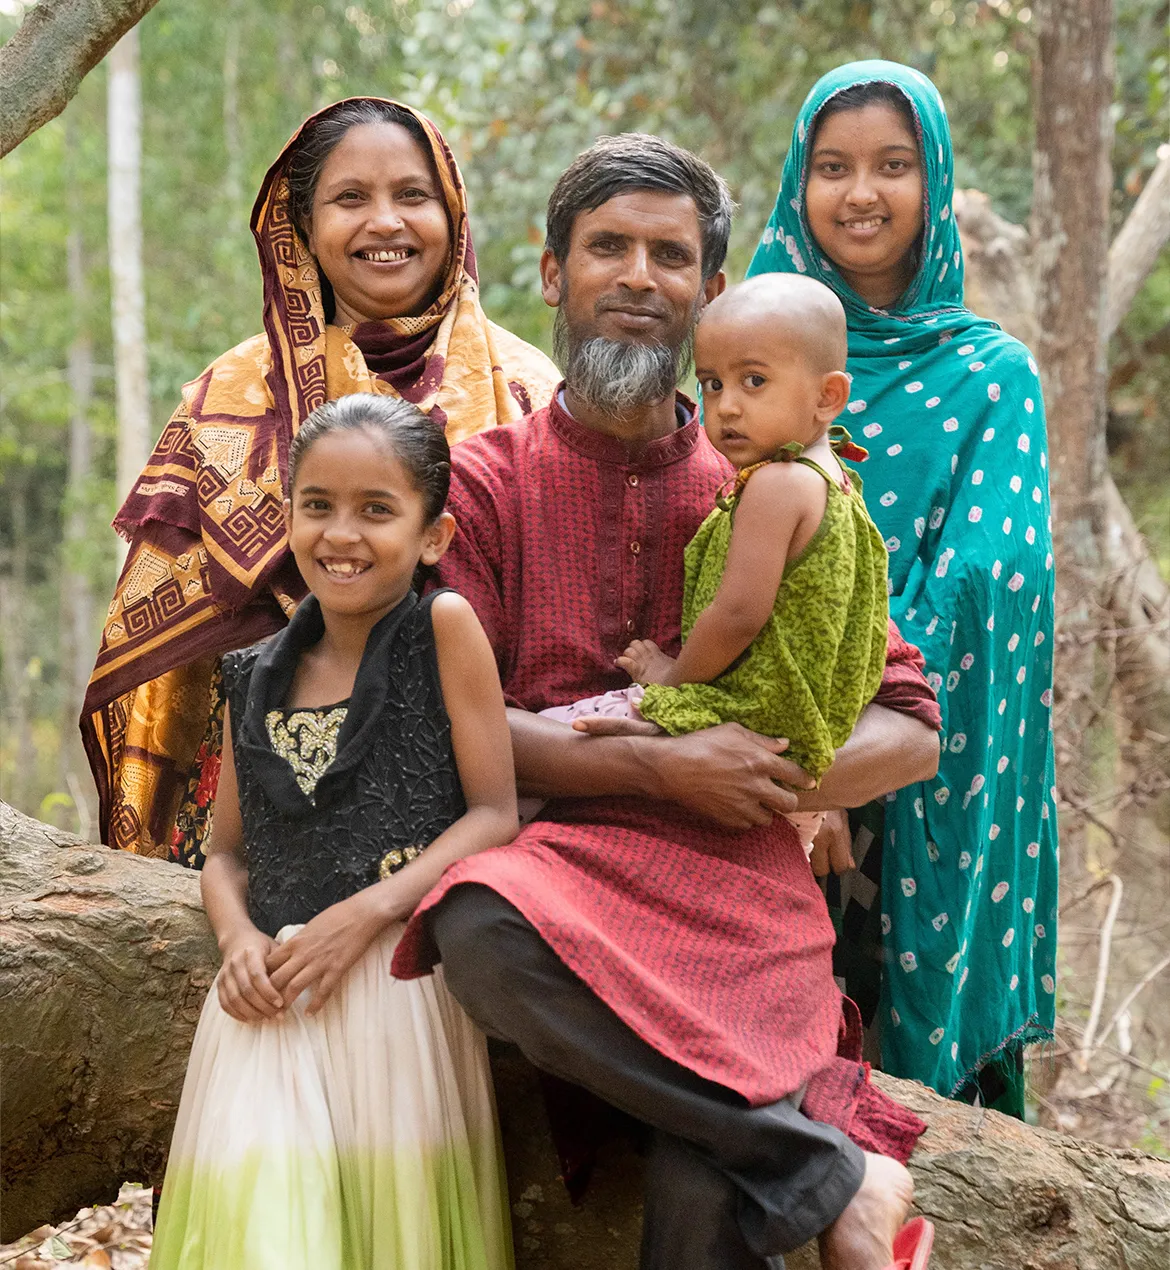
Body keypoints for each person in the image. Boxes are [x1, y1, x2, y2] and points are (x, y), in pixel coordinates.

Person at [391, 133, 941, 1270]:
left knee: (704, 1174)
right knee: (474, 925)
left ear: (712, 292)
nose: (639, 277)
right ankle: (830, 1172)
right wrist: (659, 765)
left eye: (672, 256)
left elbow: (911, 729)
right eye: (607, 248)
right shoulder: (480, 484)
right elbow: (450, 725)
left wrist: (775, 766)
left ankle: (785, 1159)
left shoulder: (785, 490)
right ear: (553, 274)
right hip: (559, 872)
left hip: (740, 886)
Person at [82, 98, 559, 864]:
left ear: (453, 212)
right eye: (350, 198)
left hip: (491, 800)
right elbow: (165, 657)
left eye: (413, 195)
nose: (386, 222)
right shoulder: (229, 395)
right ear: (303, 224)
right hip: (264, 806)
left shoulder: (530, 391)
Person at [748, 61, 1058, 1117]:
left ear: (936, 183)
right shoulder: (752, 350)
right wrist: (797, 769)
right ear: (799, 183)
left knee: (910, 1094)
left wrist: (843, 761)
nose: (861, 193)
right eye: (832, 167)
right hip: (754, 758)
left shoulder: (992, 374)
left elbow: (988, 578)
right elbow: (715, 541)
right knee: (758, 1058)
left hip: (914, 761)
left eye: (893, 165)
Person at [149, 394, 518, 1270]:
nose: (341, 534)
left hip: (395, 996)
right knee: (265, 1238)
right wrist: (237, 940)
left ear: (433, 535)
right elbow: (225, 853)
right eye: (317, 505)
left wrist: (369, 911)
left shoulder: (442, 629)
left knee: (387, 1235)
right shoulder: (250, 672)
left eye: (376, 510)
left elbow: (493, 814)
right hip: (269, 1004)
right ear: (289, 517)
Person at [531, 273, 889, 859]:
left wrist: (672, 678)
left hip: (739, 718)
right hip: (799, 748)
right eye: (712, 384)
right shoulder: (840, 485)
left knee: (553, 737)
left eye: (755, 381)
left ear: (828, 396)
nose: (726, 407)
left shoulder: (777, 485)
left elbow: (738, 614)